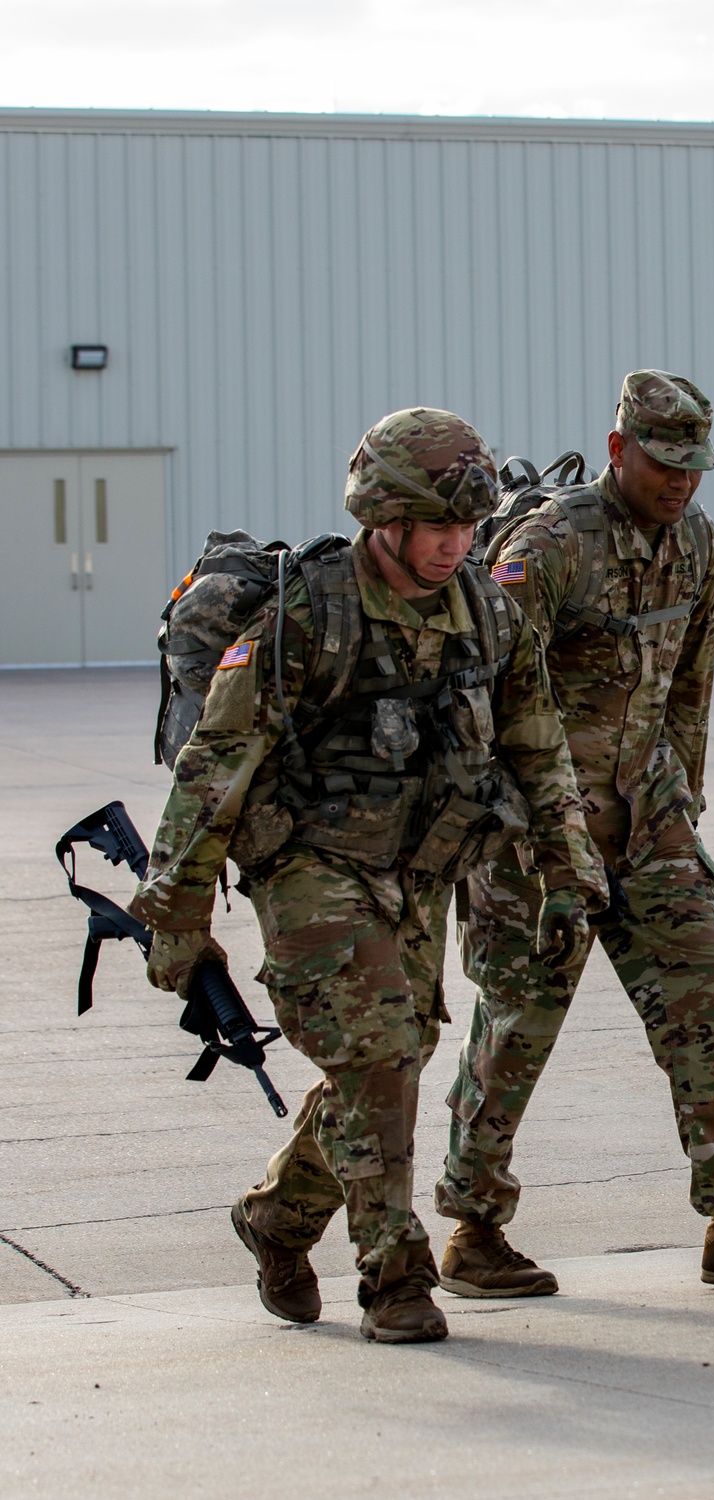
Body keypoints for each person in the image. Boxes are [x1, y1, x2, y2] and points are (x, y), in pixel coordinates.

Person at [129, 408, 607, 1343]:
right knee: (382, 1050)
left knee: (386, 1060)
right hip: (309, 863)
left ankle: (277, 1217)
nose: (455, 546)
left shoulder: (487, 610)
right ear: (384, 517)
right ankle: (394, 1277)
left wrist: (569, 869)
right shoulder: (309, 612)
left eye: (468, 528)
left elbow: (538, 747)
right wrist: (175, 918)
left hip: (420, 866)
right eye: (438, 527)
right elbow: (214, 766)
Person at [436, 371, 714, 1295]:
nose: (682, 482)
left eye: (696, 466)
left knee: (708, 990)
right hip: (536, 834)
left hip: (648, 823)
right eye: (664, 463)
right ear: (620, 450)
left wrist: (683, 798)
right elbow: (480, 684)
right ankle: (472, 1228)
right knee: (518, 1024)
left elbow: (690, 682)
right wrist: (498, 830)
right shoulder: (551, 545)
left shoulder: (697, 542)